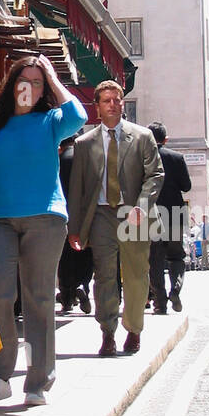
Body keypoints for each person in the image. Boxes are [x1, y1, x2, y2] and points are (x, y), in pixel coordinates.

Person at [0, 55, 87, 406]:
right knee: (0, 297)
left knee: (39, 300)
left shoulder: (52, 120)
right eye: (26, 80)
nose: (31, 88)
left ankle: (37, 382)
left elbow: (79, 116)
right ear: (12, 84)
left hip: (45, 217)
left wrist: (52, 76)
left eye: (38, 83)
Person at [67, 80, 165, 357]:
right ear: (97, 107)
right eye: (107, 100)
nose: (113, 104)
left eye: (117, 99)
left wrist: (142, 206)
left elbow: (156, 174)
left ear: (123, 103)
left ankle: (133, 330)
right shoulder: (84, 143)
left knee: (136, 275)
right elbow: (78, 189)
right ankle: (107, 333)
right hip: (100, 215)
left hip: (133, 213)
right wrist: (74, 229)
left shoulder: (142, 137)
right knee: (104, 275)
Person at [147, 122, 192, 314]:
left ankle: (160, 302)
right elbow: (186, 186)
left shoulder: (143, 158)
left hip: (151, 213)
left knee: (155, 260)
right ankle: (176, 289)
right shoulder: (177, 158)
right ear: (165, 140)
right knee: (177, 257)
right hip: (174, 213)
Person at [55, 136, 92, 314]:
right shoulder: (86, 159)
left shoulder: (58, 160)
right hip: (84, 215)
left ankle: (67, 297)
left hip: (62, 214)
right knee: (84, 253)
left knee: (64, 258)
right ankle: (84, 285)